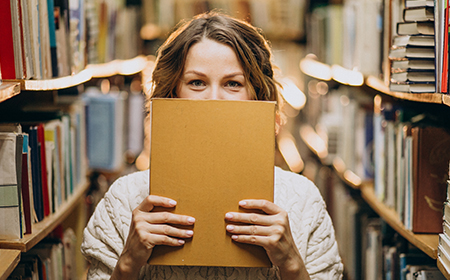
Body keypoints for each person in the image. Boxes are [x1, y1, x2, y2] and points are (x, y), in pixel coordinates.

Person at [81, 11, 343, 280]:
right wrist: (128, 263)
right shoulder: (124, 200)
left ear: (257, 96)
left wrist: (290, 263)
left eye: (233, 83)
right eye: (196, 82)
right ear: (172, 94)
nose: (214, 99)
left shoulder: (303, 201)